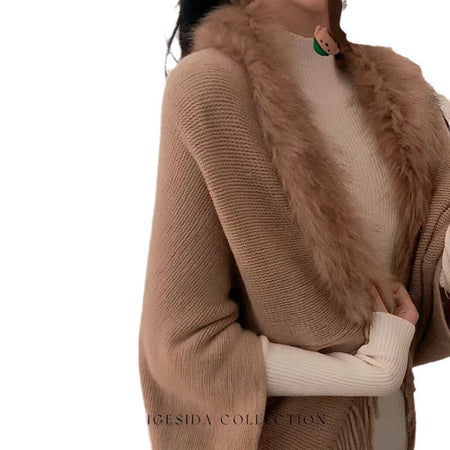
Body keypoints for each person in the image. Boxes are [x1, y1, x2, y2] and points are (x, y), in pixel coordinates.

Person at [139, 1, 450, 449]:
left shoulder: (405, 94)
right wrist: (362, 373)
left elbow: (429, 284)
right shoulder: (211, 86)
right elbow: (183, 345)